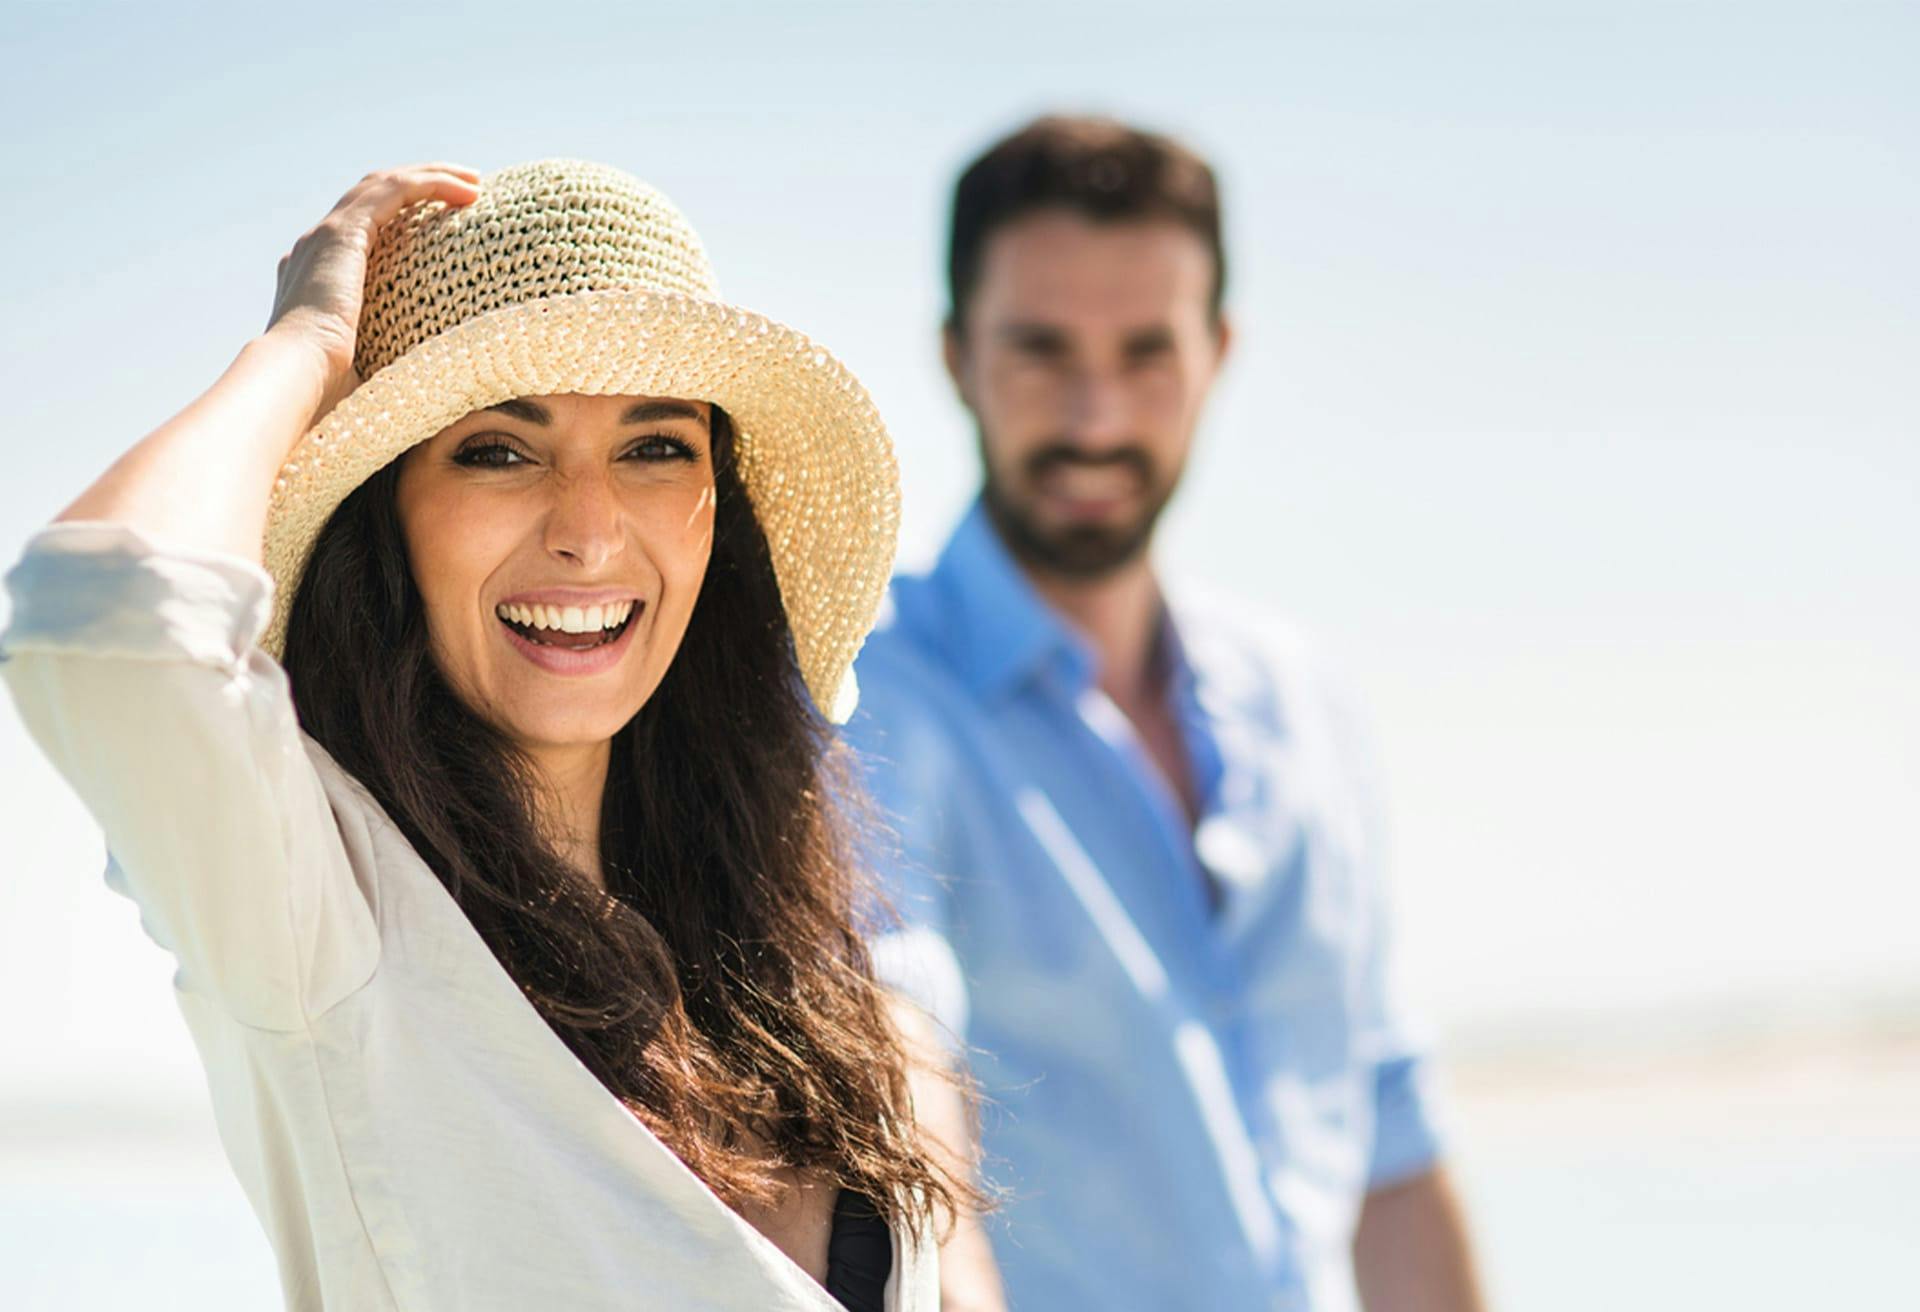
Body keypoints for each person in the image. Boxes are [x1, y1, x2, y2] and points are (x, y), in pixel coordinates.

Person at [0, 159, 997, 1311]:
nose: (588, 531)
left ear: (717, 510)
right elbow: (104, 619)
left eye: (655, 444)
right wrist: (303, 351)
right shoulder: (331, 921)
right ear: (392, 513)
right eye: (499, 450)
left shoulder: (840, 1009)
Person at [844, 118, 1489, 1310]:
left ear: (1218, 351)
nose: (1096, 418)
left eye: (1146, 353)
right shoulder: (869, 693)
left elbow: (1387, 1142)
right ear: (954, 354)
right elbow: (892, 1042)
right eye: (1042, 350)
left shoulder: (1307, 708)